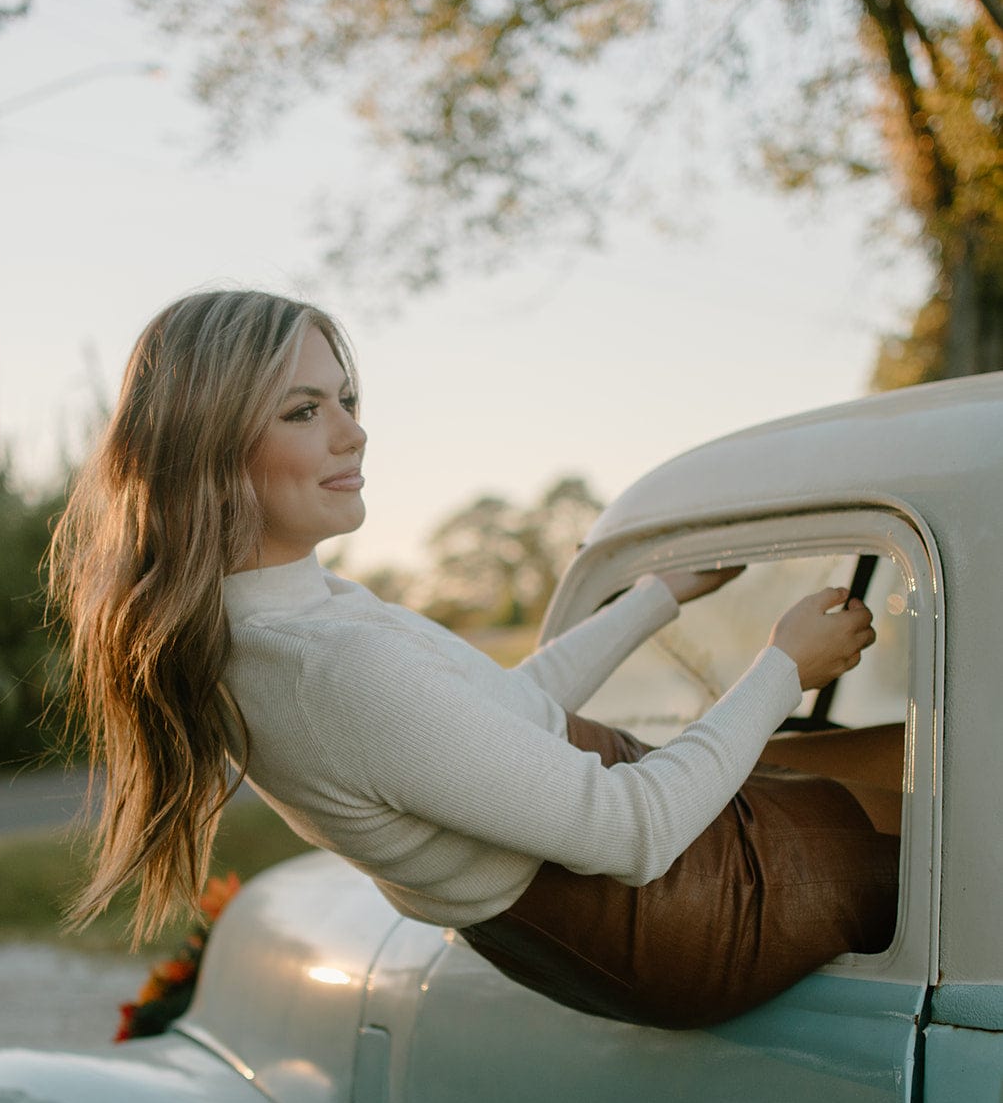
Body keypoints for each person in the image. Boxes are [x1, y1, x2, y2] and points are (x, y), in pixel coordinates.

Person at [49, 288, 901, 1030]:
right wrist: (786, 663)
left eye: (345, 399)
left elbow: (497, 711)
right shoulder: (323, 668)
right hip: (672, 904)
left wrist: (657, 596)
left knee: (902, 763)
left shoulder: (293, 621)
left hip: (647, 869)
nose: (354, 432)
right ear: (208, 450)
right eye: (303, 411)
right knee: (950, 834)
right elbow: (631, 832)